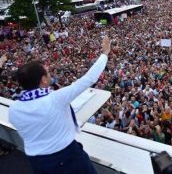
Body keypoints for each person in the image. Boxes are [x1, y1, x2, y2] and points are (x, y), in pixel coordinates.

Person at [8, 37, 111, 174]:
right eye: (48, 72)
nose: (51, 74)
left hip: (37, 162)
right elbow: (88, 79)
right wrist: (105, 54)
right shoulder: (55, 99)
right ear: (43, 80)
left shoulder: (14, 109)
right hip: (68, 157)